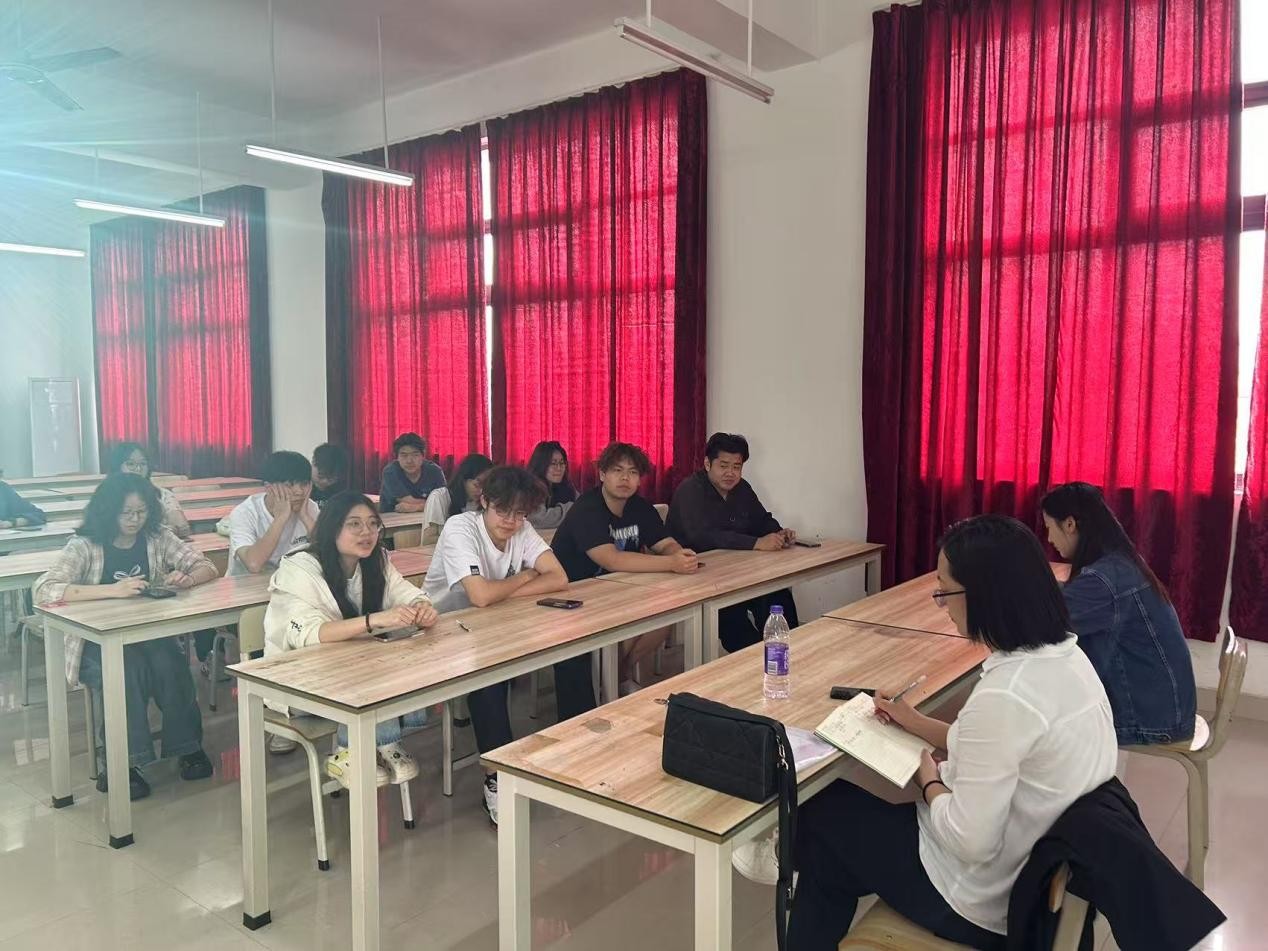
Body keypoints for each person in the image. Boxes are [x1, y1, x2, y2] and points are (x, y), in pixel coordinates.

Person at [743, 514, 1116, 950]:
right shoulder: (1067, 659)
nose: (942, 604)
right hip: (1030, 872)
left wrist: (929, 780)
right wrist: (916, 722)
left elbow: (969, 841)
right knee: (830, 853)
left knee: (821, 813)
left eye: (945, 592)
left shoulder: (1006, 695)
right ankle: (798, 857)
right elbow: (1002, 746)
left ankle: (784, 851)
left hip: (979, 899)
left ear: (983, 595)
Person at [32, 473, 219, 801]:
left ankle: (188, 747)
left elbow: (206, 566)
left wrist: (187, 579)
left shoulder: (157, 536)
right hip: (94, 643)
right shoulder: (85, 545)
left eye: (142, 512)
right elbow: (44, 589)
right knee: (125, 671)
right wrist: (112, 591)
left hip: (147, 634)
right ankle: (123, 763)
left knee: (172, 665)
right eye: (126, 513)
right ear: (108, 511)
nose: (135, 520)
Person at [422, 465, 592, 824]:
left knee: (571, 648)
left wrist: (502, 591)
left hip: (496, 621)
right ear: (484, 500)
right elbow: (479, 596)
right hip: (442, 630)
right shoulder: (460, 528)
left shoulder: (522, 528)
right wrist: (527, 575)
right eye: (503, 511)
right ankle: (496, 777)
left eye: (520, 513)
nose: (511, 522)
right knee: (489, 674)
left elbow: (559, 578)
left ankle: (579, 748)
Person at [264, 491, 438, 781]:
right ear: (332, 528)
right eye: (354, 524)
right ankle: (365, 747)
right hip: (297, 680)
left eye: (373, 524)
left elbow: (406, 593)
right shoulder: (299, 568)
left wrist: (422, 607)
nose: (366, 532)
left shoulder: (376, 560)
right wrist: (373, 621)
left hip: (353, 670)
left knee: (388, 665)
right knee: (374, 672)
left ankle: (369, 745)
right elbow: (311, 633)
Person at [1041, 482, 1197, 746]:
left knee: (1038, 717)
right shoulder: (1118, 563)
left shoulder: (1103, 580)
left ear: (1069, 524)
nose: (1048, 539)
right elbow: (1066, 601)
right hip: (1166, 707)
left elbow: (1044, 623)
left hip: (1150, 719)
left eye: (1049, 528)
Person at [552, 441, 699, 693]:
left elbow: (664, 543)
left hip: (618, 589)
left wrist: (679, 554)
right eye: (617, 470)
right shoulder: (587, 508)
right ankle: (610, 681)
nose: (625, 478)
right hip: (575, 593)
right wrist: (670, 563)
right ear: (602, 474)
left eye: (632, 472)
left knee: (667, 612)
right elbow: (612, 559)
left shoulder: (639, 507)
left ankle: (619, 673)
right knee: (630, 617)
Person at [666, 432, 801, 651]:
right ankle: (754, 662)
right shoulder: (690, 490)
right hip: (698, 577)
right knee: (733, 616)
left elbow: (761, 519)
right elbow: (701, 535)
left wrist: (779, 532)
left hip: (737, 571)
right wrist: (757, 543)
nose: (730, 473)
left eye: (736, 467)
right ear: (707, 464)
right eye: (724, 466)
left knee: (777, 596)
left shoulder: (742, 488)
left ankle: (790, 654)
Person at [226, 450, 319, 577]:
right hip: (248, 585)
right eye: (289, 485)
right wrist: (280, 519)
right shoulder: (244, 513)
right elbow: (253, 564)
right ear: (269, 488)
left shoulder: (310, 507)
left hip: (290, 581)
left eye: (304, 484)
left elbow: (327, 554)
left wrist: (306, 517)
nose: (299, 492)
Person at [107, 442, 191, 538]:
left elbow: (182, 528)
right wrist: (162, 531)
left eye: (143, 464)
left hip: (159, 546)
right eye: (131, 464)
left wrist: (154, 533)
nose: (138, 469)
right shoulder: (106, 496)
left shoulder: (161, 495)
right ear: (117, 467)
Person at [420, 453, 494, 545]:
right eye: (477, 485)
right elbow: (428, 540)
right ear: (463, 479)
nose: (481, 491)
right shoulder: (440, 497)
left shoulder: (485, 501)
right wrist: (466, 539)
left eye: (486, 486)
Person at [379, 432, 445, 513]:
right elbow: (409, 500)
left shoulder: (434, 471)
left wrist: (416, 507)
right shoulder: (390, 472)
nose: (409, 461)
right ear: (397, 457)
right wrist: (428, 505)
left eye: (415, 455)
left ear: (423, 456)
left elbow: (443, 502)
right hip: (392, 518)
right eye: (404, 455)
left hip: (426, 518)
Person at [526, 440, 578, 529]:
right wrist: (571, 508)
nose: (559, 468)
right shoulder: (533, 487)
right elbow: (539, 519)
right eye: (553, 463)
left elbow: (583, 504)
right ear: (541, 465)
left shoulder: (567, 485)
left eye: (562, 463)